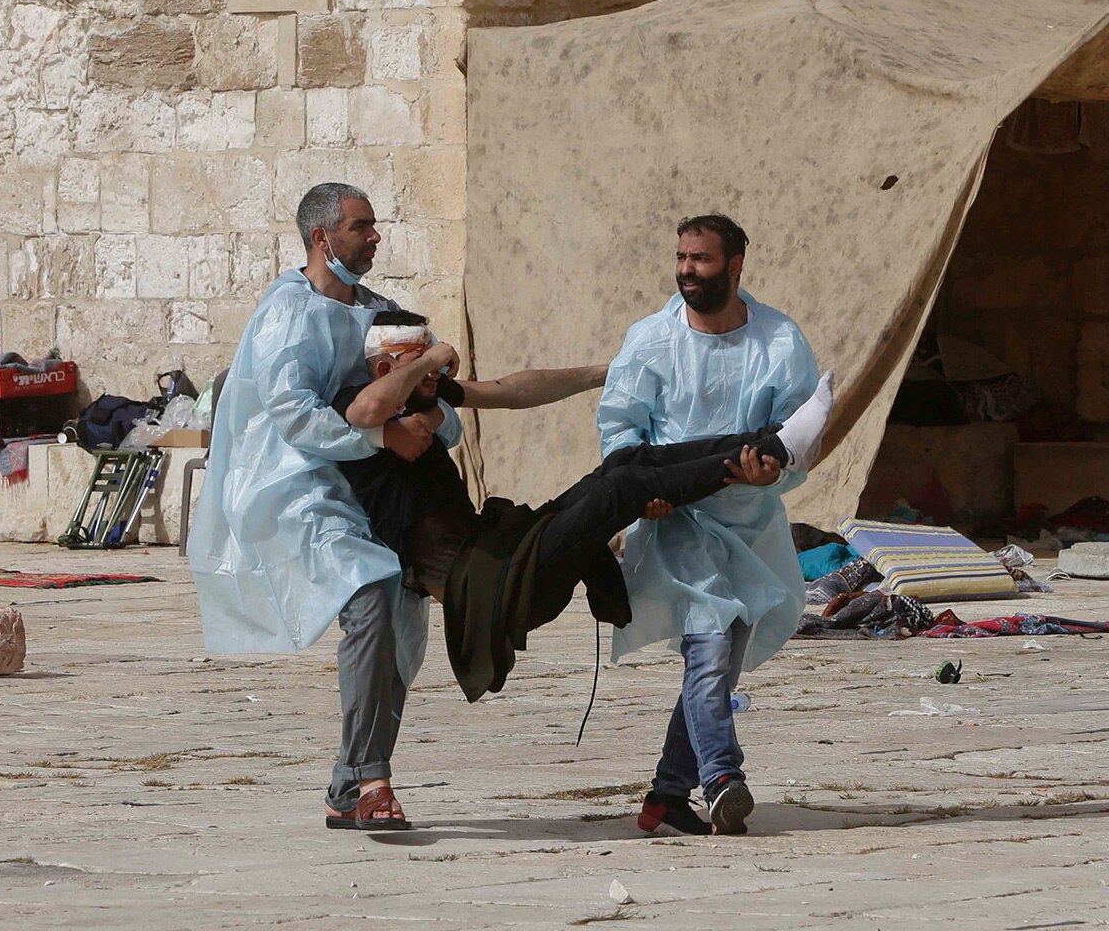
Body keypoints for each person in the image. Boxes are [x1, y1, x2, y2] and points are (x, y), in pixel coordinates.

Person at [331, 313, 833, 713]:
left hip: (503, 552)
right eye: (416, 362)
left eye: (434, 364)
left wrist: (607, 371)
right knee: (620, 488)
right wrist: (432, 357)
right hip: (481, 584)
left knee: (625, 465)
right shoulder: (359, 407)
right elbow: (368, 410)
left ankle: (774, 446)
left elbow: (514, 390)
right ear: (384, 368)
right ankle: (776, 449)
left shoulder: (424, 398)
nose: (436, 373)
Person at [189, 182, 454, 835]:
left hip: (379, 491)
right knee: (370, 588)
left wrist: (428, 420)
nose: (374, 236)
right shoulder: (287, 310)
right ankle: (373, 783)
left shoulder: (382, 313)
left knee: (399, 631)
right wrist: (378, 432)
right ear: (320, 237)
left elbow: (432, 399)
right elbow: (291, 412)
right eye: (361, 226)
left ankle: (348, 784)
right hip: (297, 488)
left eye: (374, 225)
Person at [598, 213, 822, 838]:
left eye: (700, 259)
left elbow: (800, 432)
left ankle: (668, 795)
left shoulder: (779, 340)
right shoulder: (650, 340)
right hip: (680, 523)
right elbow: (620, 428)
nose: (687, 271)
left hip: (750, 524)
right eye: (681, 258)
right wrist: (643, 493)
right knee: (710, 642)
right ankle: (723, 776)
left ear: (735, 265)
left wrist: (770, 474)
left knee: (718, 665)